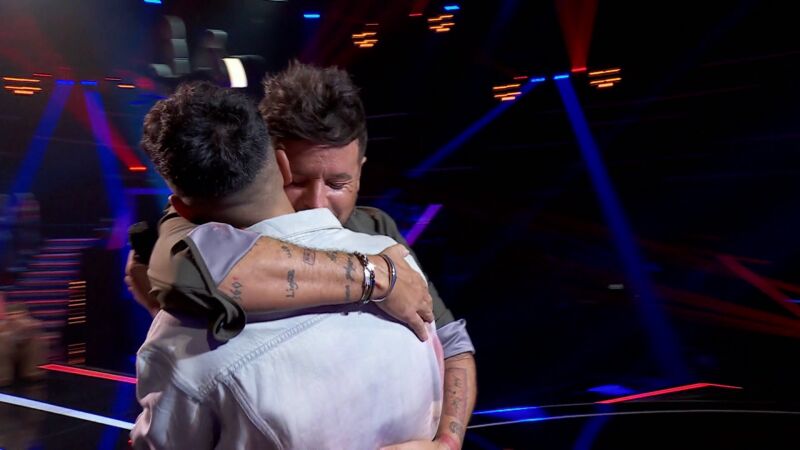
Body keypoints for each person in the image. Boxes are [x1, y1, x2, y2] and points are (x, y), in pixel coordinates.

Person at [128, 62, 476, 449]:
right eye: (298, 181)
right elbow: (188, 277)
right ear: (274, 165)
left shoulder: (377, 230)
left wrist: (446, 444)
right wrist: (377, 276)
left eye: (338, 183)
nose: (317, 202)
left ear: (360, 170)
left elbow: (454, 348)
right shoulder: (193, 228)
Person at [0, 294, 45, 387]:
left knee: (35, 339)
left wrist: (23, 329)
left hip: (21, 358)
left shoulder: (31, 325)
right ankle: (3, 378)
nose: (14, 317)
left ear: (24, 314)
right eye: (11, 314)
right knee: (3, 339)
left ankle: (32, 373)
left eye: (17, 314)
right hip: (5, 359)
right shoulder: (3, 325)